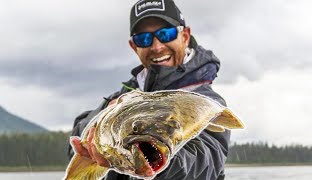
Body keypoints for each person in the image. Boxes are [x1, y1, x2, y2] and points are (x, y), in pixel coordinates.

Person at [67, 0, 230, 179]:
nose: (157, 46)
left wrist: (157, 162)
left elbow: (204, 164)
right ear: (134, 46)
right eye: (143, 39)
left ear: (185, 36)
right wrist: (104, 117)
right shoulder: (124, 95)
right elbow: (75, 141)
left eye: (166, 34)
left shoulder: (207, 103)